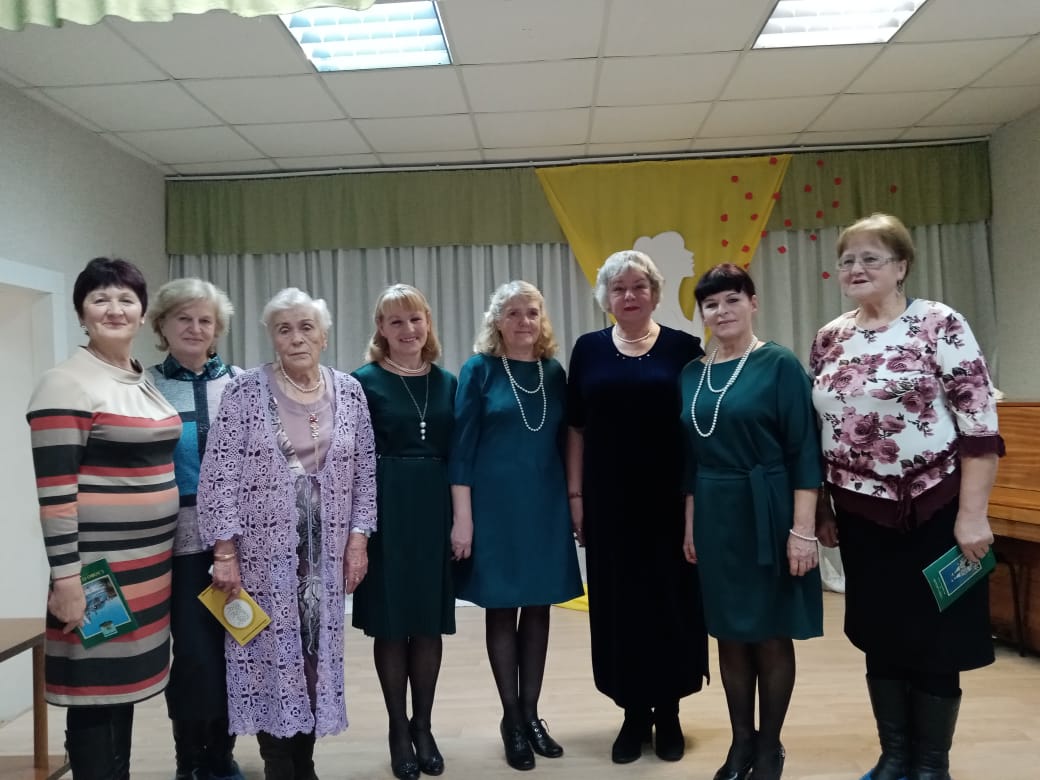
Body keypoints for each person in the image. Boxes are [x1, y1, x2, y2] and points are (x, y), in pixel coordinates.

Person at [810, 213, 1004, 780]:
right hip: (860, 514)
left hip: (936, 509)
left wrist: (973, 515)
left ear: (901, 267)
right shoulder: (830, 337)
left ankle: (931, 764)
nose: (856, 268)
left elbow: (979, 426)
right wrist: (824, 506)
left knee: (937, 638)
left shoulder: (940, 323)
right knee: (881, 633)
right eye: (847, 260)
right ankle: (894, 757)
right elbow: (820, 429)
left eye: (871, 258)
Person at [197, 287, 377, 780]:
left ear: (323, 336)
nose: (296, 338)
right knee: (267, 661)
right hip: (262, 557)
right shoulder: (244, 392)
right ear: (272, 338)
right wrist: (225, 551)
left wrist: (358, 540)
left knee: (315, 660)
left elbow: (365, 475)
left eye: (305, 327)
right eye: (284, 329)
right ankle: (279, 766)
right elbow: (219, 477)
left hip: (325, 557)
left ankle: (305, 764)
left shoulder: (349, 391)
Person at [26, 257, 182, 778]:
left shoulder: (138, 379)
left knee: (121, 693)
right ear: (81, 313)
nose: (114, 309)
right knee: (94, 697)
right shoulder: (65, 383)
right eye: (100, 299)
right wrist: (67, 581)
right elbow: (56, 495)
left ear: (143, 314)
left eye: (126, 299)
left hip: (147, 570)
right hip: (98, 575)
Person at [679, 264, 823, 780]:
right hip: (715, 512)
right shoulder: (691, 374)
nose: (722, 311)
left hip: (770, 508)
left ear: (753, 303)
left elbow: (805, 450)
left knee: (769, 632)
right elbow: (689, 460)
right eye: (711, 304)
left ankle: (769, 746)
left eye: (732, 300)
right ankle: (741, 742)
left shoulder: (779, 364)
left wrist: (802, 530)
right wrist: (691, 525)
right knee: (729, 633)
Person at [565, 249, 709, 764]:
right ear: (606, 297)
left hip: (669, 501)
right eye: (619, 288)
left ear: (655, 293)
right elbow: (576, 429)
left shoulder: (685, 348)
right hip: (608, 502)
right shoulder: (588, 349)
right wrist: (576, 498)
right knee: (618, 606)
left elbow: (697, 430)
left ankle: (668, 712)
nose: (629, 295)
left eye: (638, 286)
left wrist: (694, 507)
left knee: (671, 602)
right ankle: (631, 713)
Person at [450, 280, 583, 771]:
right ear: (497, 321)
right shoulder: (479, 369)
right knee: (503, 610)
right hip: (494, 509)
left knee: (540, 608)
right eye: (513, 313)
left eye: (531, 312)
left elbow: (569, 440)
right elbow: (461, 448)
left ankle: (531, 715)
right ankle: (511, 719)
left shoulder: (554, 372)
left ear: (541, 319)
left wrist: (575, 501)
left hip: (544, 506)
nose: (523, 321)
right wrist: (462, 518)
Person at [351, 284, 457, 780]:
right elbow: (351, 459)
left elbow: (460, 454)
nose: (408, 329)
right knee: (393, 623)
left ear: (427, 322)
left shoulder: (449, 382)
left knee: (428, 622)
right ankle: (398, 729)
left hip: (434, 507)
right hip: (385, 508)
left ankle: (424, 726)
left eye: (415, 319)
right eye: (396, 321)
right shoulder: (362, 382)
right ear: (381, 329)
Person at [146, 278, 244, 780]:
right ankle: (189, 758)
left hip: (239, 546)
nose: (195, 328)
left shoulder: (243, 385)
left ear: (217, 329)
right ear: (162, 325)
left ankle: (221, 753)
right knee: (193, 656)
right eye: (183, 318)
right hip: (177, 546)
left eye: (205, 320)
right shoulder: (143, 387)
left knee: (236, 648)